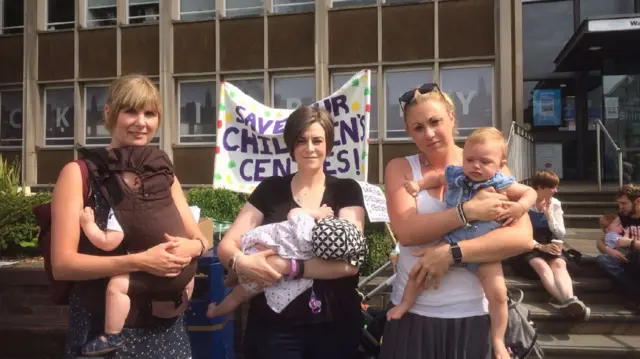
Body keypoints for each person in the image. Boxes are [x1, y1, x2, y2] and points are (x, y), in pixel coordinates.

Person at [50, 74, 209, 359]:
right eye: (131, 111)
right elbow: (63, 264)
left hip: (165, 329)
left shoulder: (163, 174)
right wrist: (139, 262)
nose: (141, 122)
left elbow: (200, 238)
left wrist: (192, 247)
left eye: (150, 113)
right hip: (101, 329)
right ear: (110, 113)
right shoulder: (78, 174)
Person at [378, 83, 534, 359]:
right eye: (418, 127)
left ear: (452, 117)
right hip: (415, 315)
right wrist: (469, 211)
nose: (429, 133)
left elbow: (520, 237)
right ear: (408, 132)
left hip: (473, 314)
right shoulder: (402, 168)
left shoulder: (488, 164)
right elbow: (408, 232)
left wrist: (452, 253)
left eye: (435, 121)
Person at [217, 106, 367, 359]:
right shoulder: (270, 190)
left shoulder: (346, 191)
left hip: (334, 325)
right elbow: (227, 245)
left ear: (328, 145)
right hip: (273, 328)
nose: (309, 148)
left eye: (317, 140)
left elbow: (349, 264)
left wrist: (287, 266)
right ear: (291, 145)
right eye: (301, 141)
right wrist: (241, 262)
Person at [77, 146, 197, 356]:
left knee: (117, 286)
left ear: (135, 182)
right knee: (185, 275)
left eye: (119, 178)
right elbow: (196, 236)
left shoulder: (123, 209)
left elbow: (108, 242)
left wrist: (88, 225)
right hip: (185, 271)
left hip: (156, 272)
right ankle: (186, 301)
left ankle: (111, 335)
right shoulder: (170, 203)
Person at [207, 205, 365, 318]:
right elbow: (301, 282)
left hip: (255, 247)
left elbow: (294, 212)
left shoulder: (306, 228)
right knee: (237, 296)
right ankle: (215, 312)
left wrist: (317, 213)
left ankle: (230, 279)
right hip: (266, 272)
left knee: (239, 265)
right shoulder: (315, 258)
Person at [509, 170, 590, 320]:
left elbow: (560, 234)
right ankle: (570, 303)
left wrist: (549, 216)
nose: (556, 191)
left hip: (549, 241)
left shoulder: (555, 204)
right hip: (527, 245)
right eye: (552, 187)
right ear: (539, 187)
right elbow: (517, 232)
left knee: (559, 264)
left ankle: (571, 301)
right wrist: (539, 246)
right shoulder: (523, 203)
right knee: (541, 266)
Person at [596, 185, 640, 310]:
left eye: (624, 203)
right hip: (627, 260)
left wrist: (631, 243)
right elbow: (600, 241)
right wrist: (609, 250)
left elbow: (631, 244)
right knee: (602, 259)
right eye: (619, 203)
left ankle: (634, 295)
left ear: (638, 201)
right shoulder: (622, 217)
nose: (620, 207)